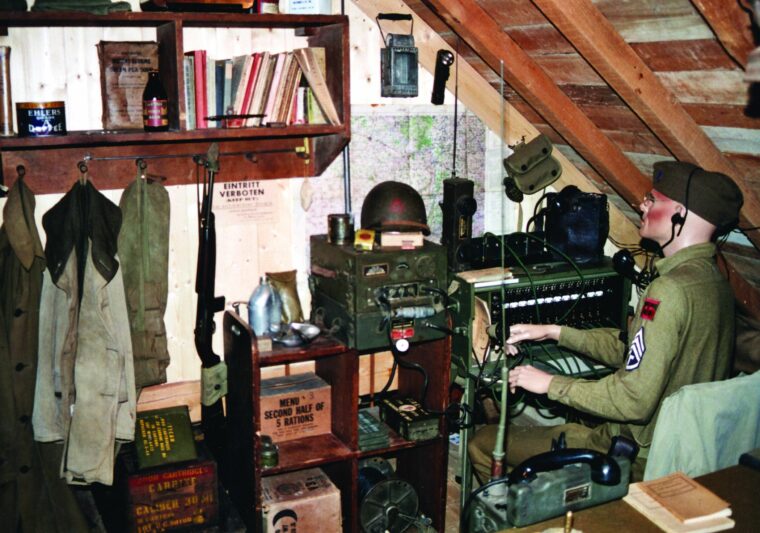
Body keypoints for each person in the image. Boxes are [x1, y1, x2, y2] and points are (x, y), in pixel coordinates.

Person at [468, 161, 744, 482]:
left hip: (633, 456)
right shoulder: (713, 281)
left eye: (653, 200)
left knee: (482, 443)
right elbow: (635, 352)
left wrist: (549, 384)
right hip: (681, 449)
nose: (642, 204)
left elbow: (634, 400)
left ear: (679, 213)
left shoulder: (667, 290)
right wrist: (555, 332)